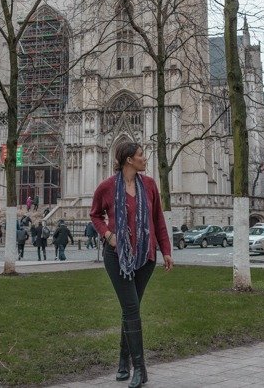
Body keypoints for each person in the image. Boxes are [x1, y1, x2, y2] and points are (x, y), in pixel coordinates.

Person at [90, 140, 173, 388]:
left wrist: (166, 250)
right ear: (129, 160)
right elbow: (95, 214)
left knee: (131, 310)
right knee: (131, 308)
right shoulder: (106, 187)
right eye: (140, 155)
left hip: (145, 258)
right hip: (117, 258)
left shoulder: (148, 185)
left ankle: (123, 362)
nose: (144, 158)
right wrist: (107, 234)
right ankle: (140, 369)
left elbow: (158, 218)